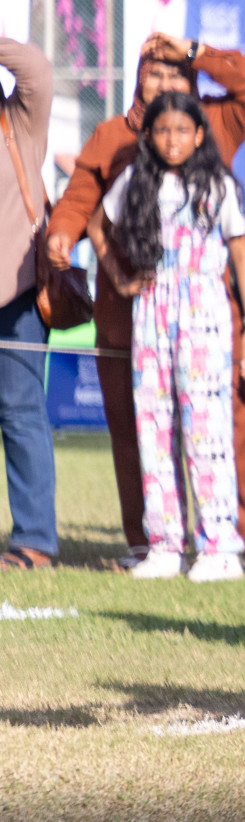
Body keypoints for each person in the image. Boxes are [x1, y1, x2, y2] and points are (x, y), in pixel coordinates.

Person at [45, 33, 245, 574]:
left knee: (225, 425)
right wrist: (65, 234)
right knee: (139, 428)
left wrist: (194, 50)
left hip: (206, 316)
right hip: (134, 317)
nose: (167, 84)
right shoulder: (115, 139)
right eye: (156, 71)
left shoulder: (215, 123)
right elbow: (84, 201)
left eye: (177, 74)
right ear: (137, 80)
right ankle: (152, 542)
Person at [88, 93, 245, 581]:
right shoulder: (135, 181)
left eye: (183, 130)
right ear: (149, 135)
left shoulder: (217, 184)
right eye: (163, 130)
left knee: (207, 425)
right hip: (152, 309)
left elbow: (242, 255)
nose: (172, 139)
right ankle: (165, 543)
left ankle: (220, 545)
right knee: (153, 422)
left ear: (200, 135)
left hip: (204, 312)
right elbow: (97, 225)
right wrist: (121, 279)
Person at [0, 37, 57, 572]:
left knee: (20, 414)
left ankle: (35, 541)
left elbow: (36, 68)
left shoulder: (19, 121)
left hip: (15, 298)